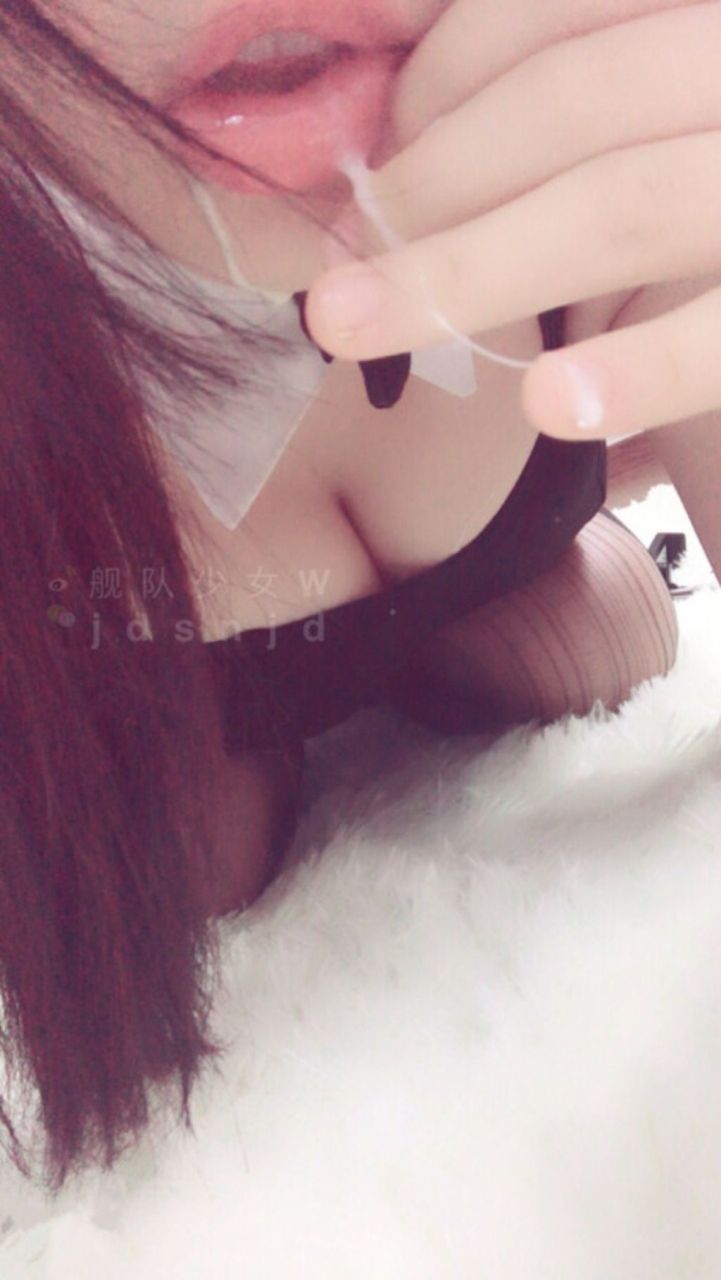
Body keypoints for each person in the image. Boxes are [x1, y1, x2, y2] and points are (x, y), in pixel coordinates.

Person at [0, 0, 679, 1194]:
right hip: (154, 675)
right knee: (184, 849)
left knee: (591, 647)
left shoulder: (613, 94)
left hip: (503, 555)